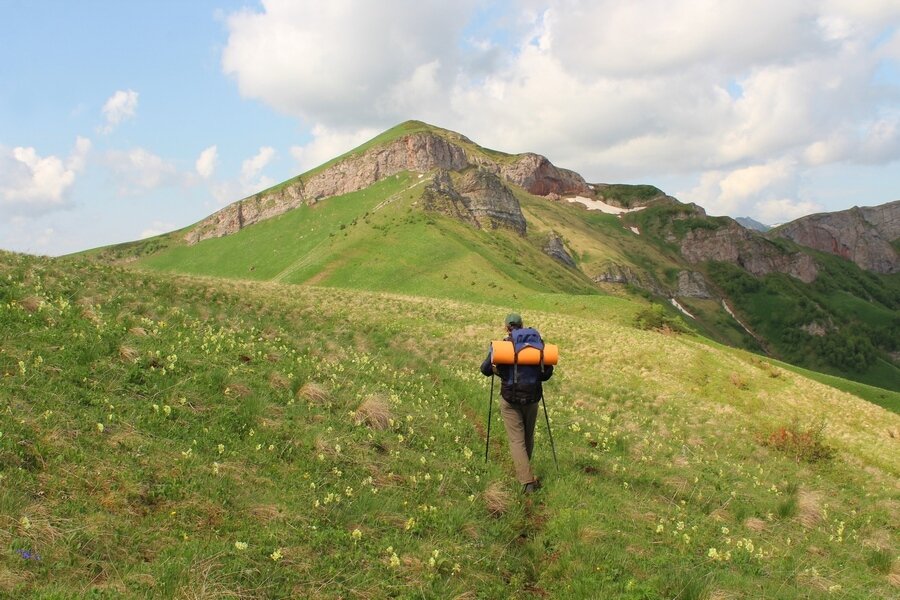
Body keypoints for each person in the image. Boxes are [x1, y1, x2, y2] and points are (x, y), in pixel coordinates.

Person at [480, 313, 553, 493]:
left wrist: (500, 371)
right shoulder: (538, 344)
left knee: (516, 440)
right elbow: (546, 373)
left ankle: (526, 481)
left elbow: (485, 369)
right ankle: (526, 473)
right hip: (533, 398)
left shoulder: (503, 345)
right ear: (523, 325)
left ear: (507, 327)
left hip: (510, 399)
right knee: (528, 437)